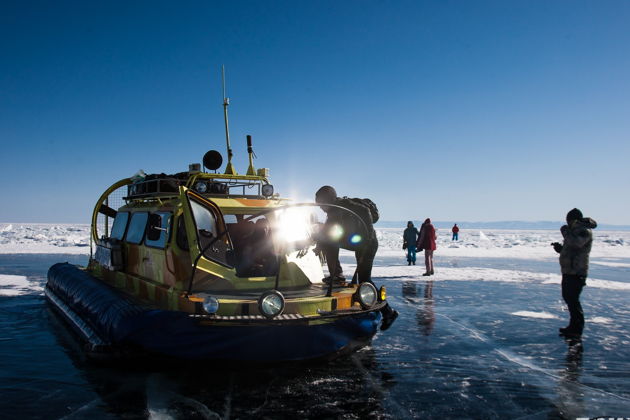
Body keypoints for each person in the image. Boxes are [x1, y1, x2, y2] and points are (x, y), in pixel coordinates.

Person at [314, 185, 399, 331]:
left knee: (364, 279)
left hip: (368, 244)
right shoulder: (332, 212)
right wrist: (319, 246)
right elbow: (326, 232)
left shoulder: (346, 205)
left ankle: (389, 312)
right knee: (329, 243)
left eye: (321, 204)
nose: (321, 208)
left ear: (329, 199)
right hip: (356, 242)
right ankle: (337, 275)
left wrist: (367, 236)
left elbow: (365, 211)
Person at [551, 208, 597, 338]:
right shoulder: (574, 231)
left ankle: (577, 329)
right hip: (569, 271)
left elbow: (576, 244)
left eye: (569, 220)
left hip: (577, 272)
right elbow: (571, 248)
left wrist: (565, 231)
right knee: (568, 297)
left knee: (573, 299)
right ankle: (573, 326)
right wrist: (560, 249)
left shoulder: (584, 230)